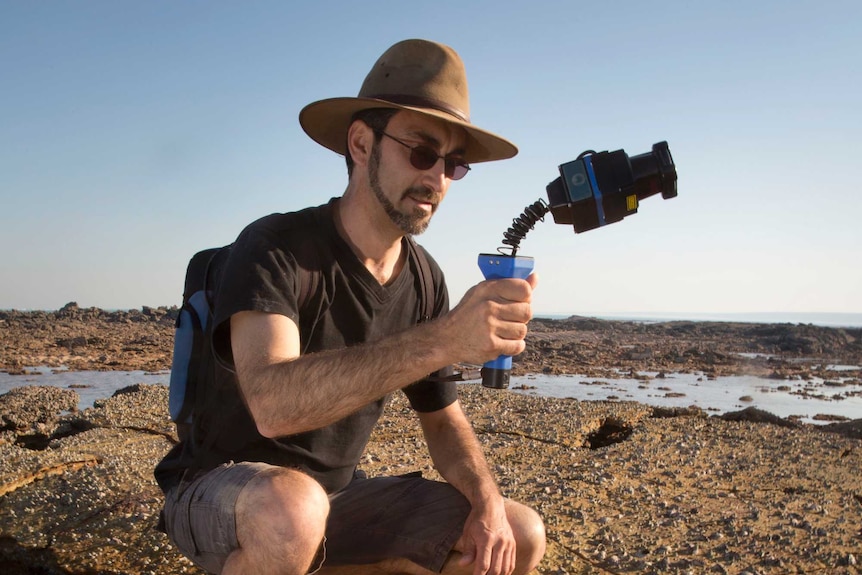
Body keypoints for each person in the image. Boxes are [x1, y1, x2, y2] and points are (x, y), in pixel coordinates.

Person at [155, 38, 546, 575]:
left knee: (517, 535)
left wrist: (485, 500)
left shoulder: (425, 277)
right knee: (290, 512)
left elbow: (442, 417)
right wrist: (444, 339)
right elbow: (273, 405)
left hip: (337, 501)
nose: (436, 178)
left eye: (453, 165)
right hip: (223, 491)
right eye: (422, 152)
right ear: (362, 144)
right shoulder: (275, 247)